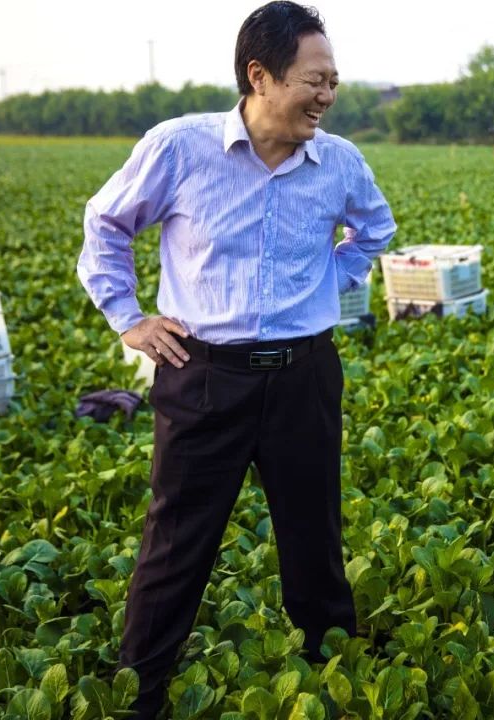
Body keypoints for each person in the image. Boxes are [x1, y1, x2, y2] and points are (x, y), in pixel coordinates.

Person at [76, 3, 396, 717]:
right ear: (260, 75)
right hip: (204, 374)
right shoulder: (179, 148)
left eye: (334, 81)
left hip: (304, 374)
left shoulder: (337, 160)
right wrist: (128, 319)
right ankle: (141, 691)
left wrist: (328, 281)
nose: (328, 95)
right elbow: (106, 223)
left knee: (315, 531)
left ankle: (333, 669)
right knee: (176, 540)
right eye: (316, 80)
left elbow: (376, 230)